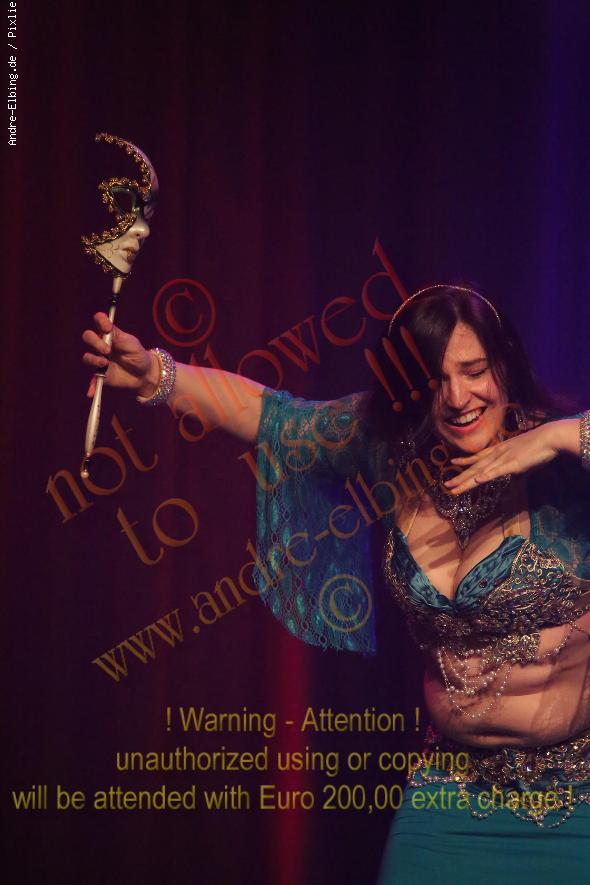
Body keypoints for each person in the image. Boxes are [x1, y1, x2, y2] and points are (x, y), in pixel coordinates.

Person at [82, 283, 590, 883]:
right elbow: (271, 416)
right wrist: (156, 375)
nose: (458, 398)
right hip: (448, 796)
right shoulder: (388, 449)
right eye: (434, 380)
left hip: (574, 802)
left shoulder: (564, 465)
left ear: (504, 364)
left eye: (475, 372)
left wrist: (559, 436)